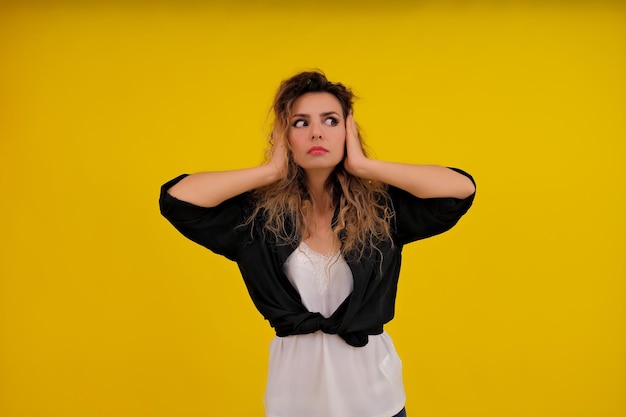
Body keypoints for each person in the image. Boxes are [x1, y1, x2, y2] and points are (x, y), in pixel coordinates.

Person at [159, 70, 476, 417]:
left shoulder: (382, 211)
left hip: (376, 401)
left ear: (347, 132)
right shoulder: (257, 219)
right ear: (284, 136)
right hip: (294, 402)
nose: (316, 132)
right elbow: (178, 200)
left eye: (330, 120)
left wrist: (364, 165)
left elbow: (460, 189)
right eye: (299, 123)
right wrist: (270, 170)